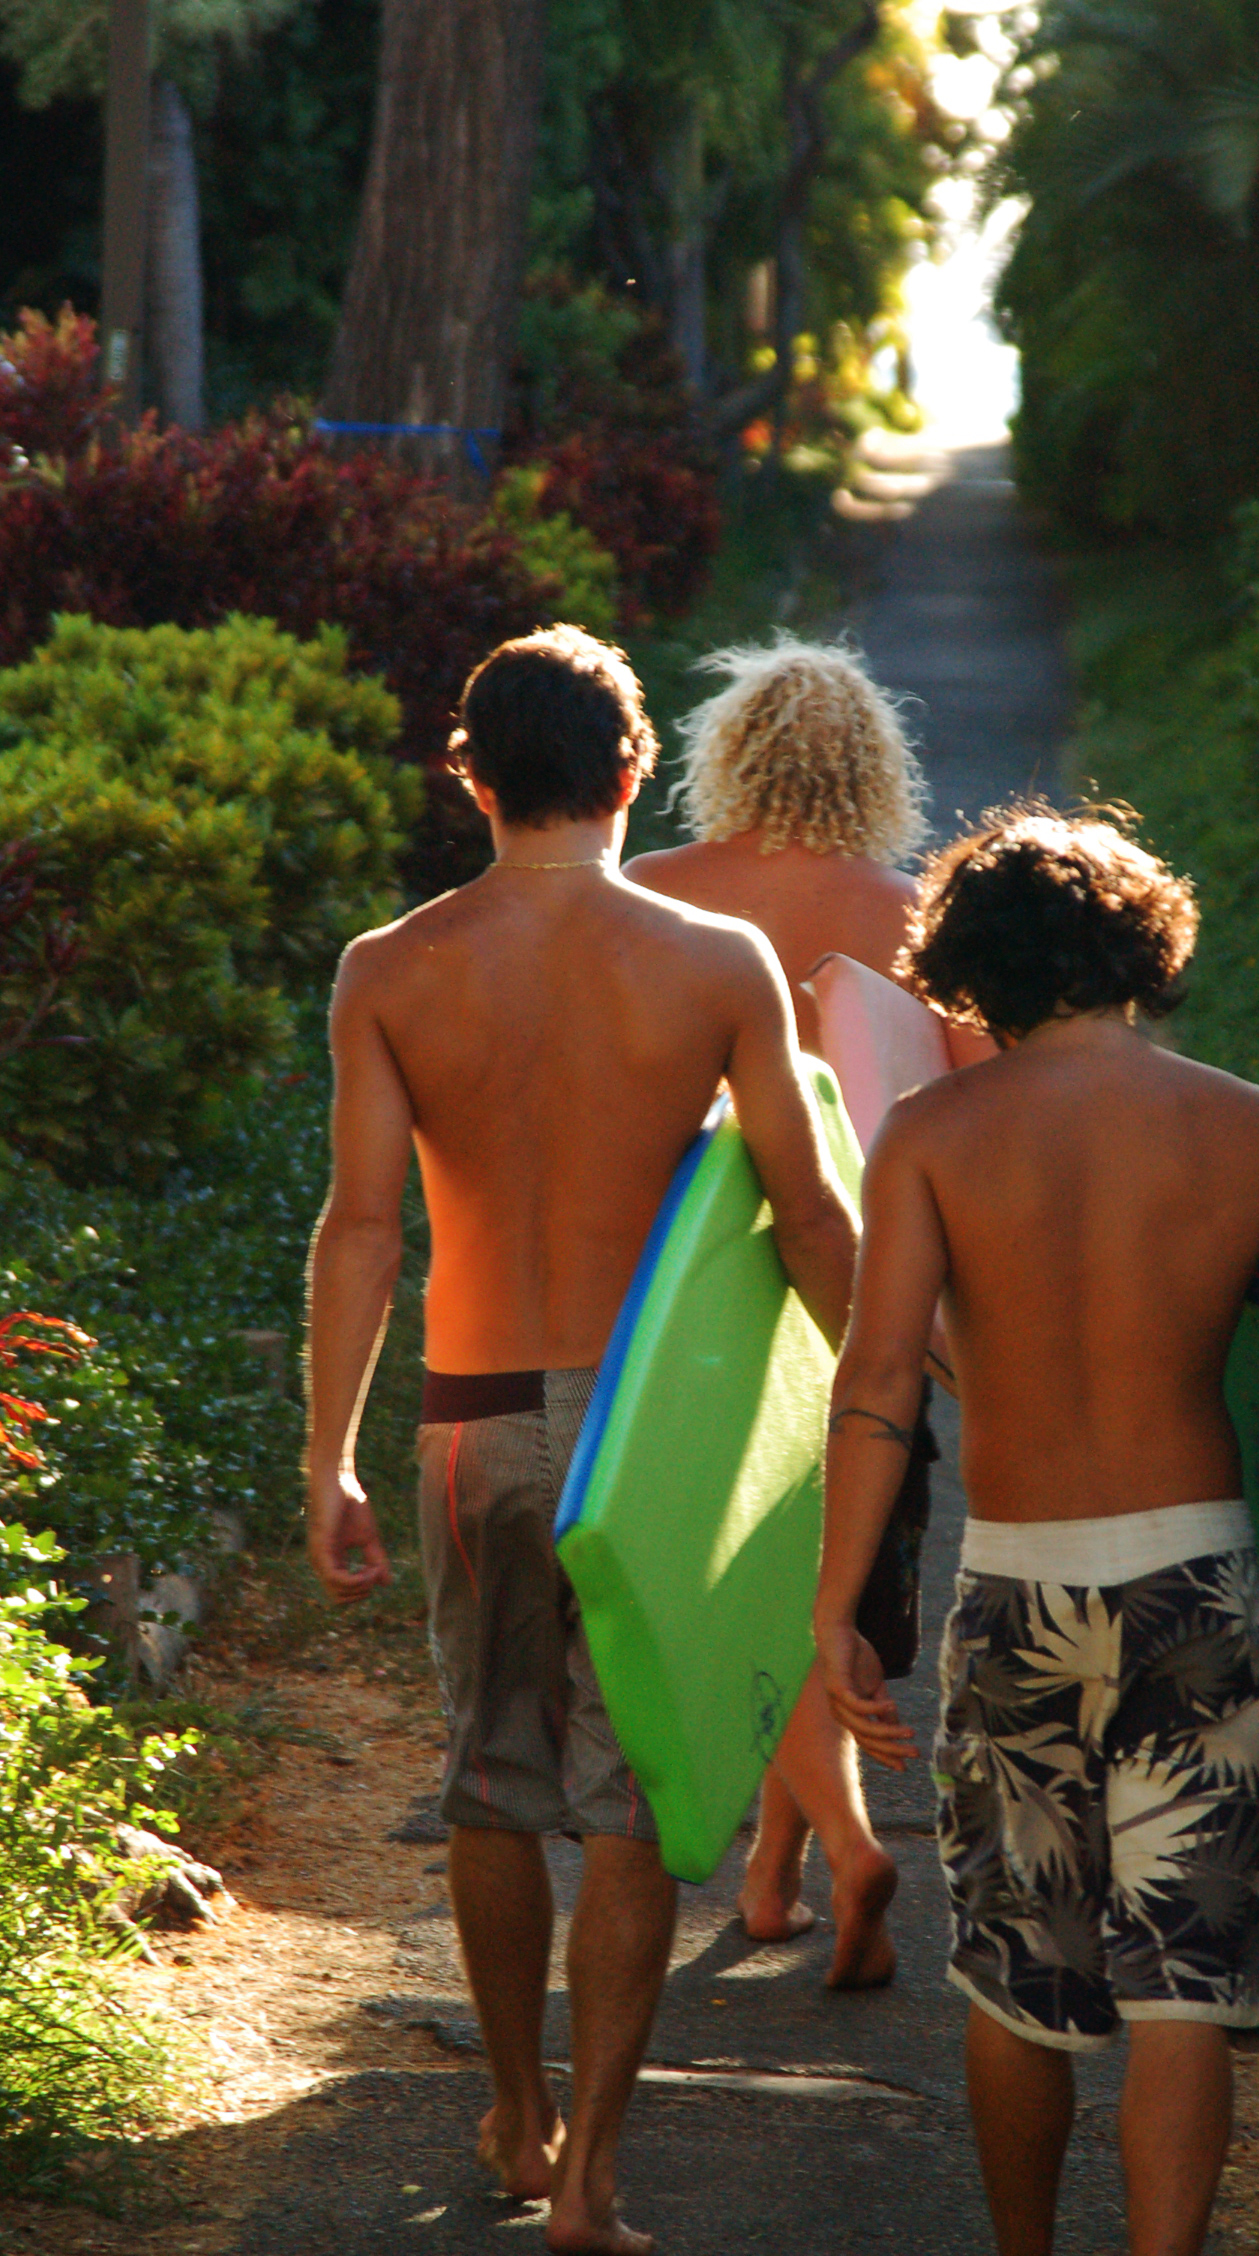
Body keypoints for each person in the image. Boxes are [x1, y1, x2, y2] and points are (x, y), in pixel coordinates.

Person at [304, 625, 858, 2256]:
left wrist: (330, 1456)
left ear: (469, 777)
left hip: (473, 1428)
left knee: (491, 1778)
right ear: (631, 772)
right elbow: (809, 1214)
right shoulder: (716, 962)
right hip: (651, 1441)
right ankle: (595, 2178)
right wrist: (887, 1392)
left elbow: (361, 1228)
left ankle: (514, 2112)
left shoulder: (389, 968)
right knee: (632, 1795)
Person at [811, 804, 1259, 2256]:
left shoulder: (931, 1136)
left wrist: (842, 1606)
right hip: (1200, 1590)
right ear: (1143, 950)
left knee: (1021, 1982)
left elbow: (879, 1383)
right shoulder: (1256, 1129)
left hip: (1019, 1594)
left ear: (971, 970)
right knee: (1183, 1983)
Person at [629, 635, 969, 1989]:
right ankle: (792, 1865)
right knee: (828, 1564)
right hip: (870, 1274)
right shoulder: (915, 913)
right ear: (875, 766)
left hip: (698, 1275)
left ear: (729, 755)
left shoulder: (652, 891)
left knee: (752, 1577)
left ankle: (822, 1848)